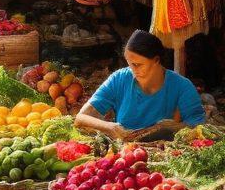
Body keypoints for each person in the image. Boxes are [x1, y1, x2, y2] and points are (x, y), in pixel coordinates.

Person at [74, 29, 205, 138]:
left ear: (156, 60)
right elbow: (80, 118)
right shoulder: (119, 79)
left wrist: (173, 128)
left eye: (137, 65)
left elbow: (200, 127)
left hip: (167, 156)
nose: (132, 70)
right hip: (125, 154)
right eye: (129, 64)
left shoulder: (182, 86)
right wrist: (109, 127)